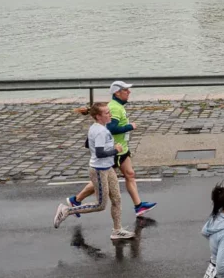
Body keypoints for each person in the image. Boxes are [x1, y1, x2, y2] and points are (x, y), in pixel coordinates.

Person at [67, 81, 157, 219]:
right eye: (126, 90)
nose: (129, 92)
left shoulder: (118, 106)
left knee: (130, 174)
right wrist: (130, 127)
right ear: (117, 93)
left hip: (122, 149)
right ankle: (76, 200)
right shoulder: (115, 108)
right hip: (115, 151)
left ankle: (139, 206)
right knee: (103, 181)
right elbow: (110, 128)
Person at [53, 103, 135, 240]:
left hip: (108, 168)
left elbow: (87, 144)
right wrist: (116, 150)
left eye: (109, 112)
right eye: (107, 113)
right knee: (100, 205)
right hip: (99, 170)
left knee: (117, 199)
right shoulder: (100, 131)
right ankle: (67, 210)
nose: (110, 115)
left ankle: (117, 230)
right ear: (98, 116)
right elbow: (100, 153)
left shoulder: (100, 127)